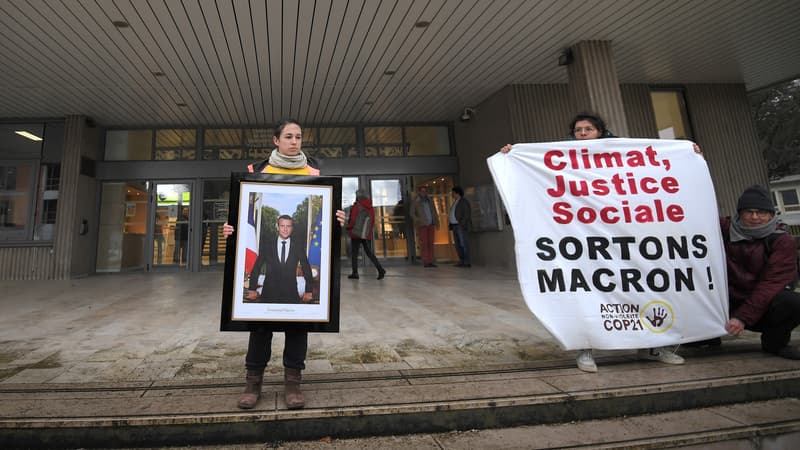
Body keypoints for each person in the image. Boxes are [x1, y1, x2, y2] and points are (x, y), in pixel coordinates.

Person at [500, 112, 688, 373]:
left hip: (621, 237)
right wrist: (512, 154)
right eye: (578, 130)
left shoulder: (620, 153)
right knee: (585, 294)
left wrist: (688, 153)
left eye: (589, 128)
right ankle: (585, 349)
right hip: (582, 238)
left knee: (639, 289)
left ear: (600, 131)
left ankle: (658, 345)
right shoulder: (562, 157)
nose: (583, 133)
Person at [222, 118, 346, 411]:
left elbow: (328, 229)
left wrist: (337, 221)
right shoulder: (256, 172)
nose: (294, 141)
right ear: (275, 140)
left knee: (297, 330)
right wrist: (231, 229)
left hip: (292, 290)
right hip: (267, 291)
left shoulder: (314, 173)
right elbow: (239, 218)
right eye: (288, 136)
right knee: (259, 331)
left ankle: (293, 385)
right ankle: (252, 384)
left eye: (299, 137)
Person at [721, 185, 800, 359]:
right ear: (739, 214)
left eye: (761, 212)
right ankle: (703, 338)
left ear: (771, 215)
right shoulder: (723, 228)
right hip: (725, 304)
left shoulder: (782, 241)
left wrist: (742, 317)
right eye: (749, 211)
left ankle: (775, 343)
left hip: (762, 307)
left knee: (793, 302)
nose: (755, 217)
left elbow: (770, 285)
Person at [246, 215, 314, 303]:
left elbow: (306, 268)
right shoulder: (267, 245)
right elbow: (256, 267)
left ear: (292, 228)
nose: (285, 229)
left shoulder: (298, 246)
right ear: (278, 227)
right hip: (268, 295)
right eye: (282, 226)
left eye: (288, 226)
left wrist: (309, 291)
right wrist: (252, 289)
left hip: (291, 295)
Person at [346, 189, 386, 280]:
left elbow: (352, 220)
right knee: (369, 253)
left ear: (358, 196)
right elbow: (372, 220)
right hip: (366, 234)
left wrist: (348, 227)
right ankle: (380, 269)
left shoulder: (357, 206)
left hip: (356, 234)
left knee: (354, 254)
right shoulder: (370, 206)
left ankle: (355, 273)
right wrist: (367, 231)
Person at [410, 185, 439, 267]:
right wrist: (418, 220)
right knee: (424, 243)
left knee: (431, 242)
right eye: (422, 191)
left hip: (431, 224)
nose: (424, 193)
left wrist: (436, 222)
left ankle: (431, 260)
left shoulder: (430, 200)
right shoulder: (416, 201)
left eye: (425, 191)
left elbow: (434, 211)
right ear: (419, 192)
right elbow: (412, 213)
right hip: (422, 225)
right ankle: (426, 261)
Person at [449, 186, 472, 267]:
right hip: (454, 226)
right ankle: (461, 261)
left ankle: (466, 261)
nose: (452, 194)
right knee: (458, 244)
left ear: (457, 193)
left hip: (460, 226)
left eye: (453, 193)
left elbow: (466, 214)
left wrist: (462, 223)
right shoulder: (455, 202)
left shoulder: (463, 202)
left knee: (463, 243)